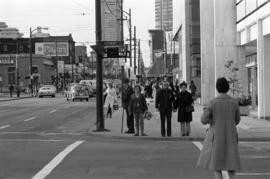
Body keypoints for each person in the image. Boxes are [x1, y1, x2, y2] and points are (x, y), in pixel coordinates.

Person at [197, 77, 241, 179]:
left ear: (217, 88)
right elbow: (237, 120)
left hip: (216, 138)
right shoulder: (234, 102)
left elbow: (203, 120)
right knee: (231, 167)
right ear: (228, 88)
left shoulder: (213, 102)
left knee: (217, 167)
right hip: (231, 137)